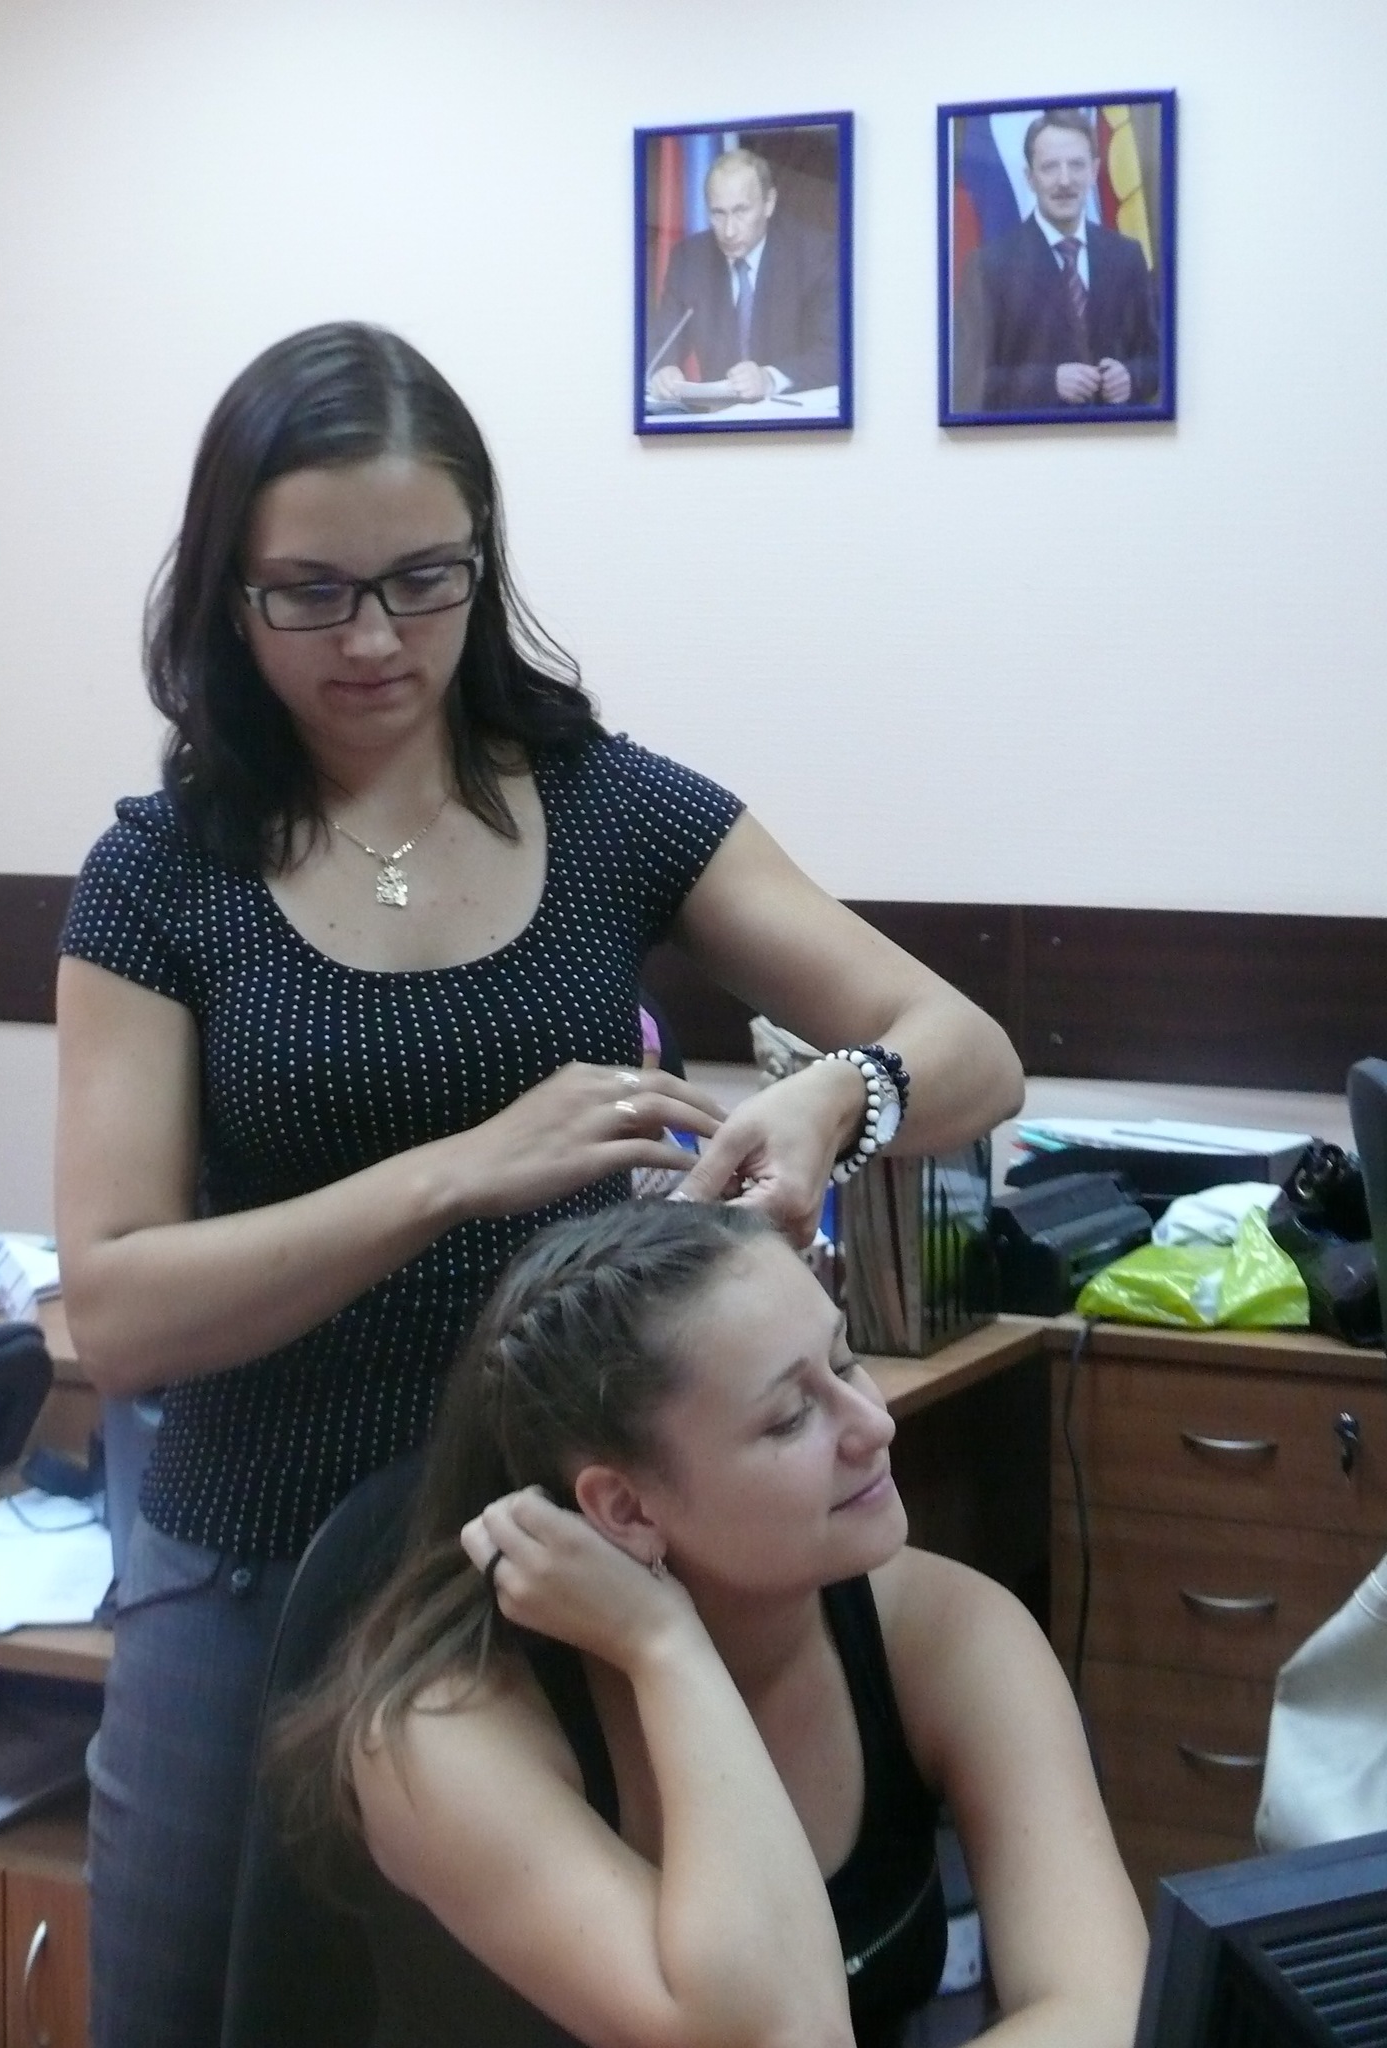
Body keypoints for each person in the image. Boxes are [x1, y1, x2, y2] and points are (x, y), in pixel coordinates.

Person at [53, 319, 1023, 2045]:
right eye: (311, 592)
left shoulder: (603, 806)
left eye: (422, 579)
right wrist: (453, 1174)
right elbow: (118, 1305)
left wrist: (836, 1097)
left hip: (571, 1565)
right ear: (226, 595)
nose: (374, 637)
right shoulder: (160, 879)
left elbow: (967, 1048)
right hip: (254, 1558)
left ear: (483, 558)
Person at [285, 1200, 1147, 2048]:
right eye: (790, 1417)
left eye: (844, 1362)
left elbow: (1110, 2007)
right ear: (625, 1508)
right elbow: (781, 2033)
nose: (873, 1423)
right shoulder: (440, 1735)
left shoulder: (944, 1630)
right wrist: (667, 1650)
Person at [955, 109, 1160, 414]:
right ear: (1030, 178)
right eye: (1050, 167)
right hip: (1028, 440)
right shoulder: (988, 266)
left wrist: (1131, 378)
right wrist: (1048, 384)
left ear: (1094, 171)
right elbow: (967, 381)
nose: (1065, 181)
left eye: (1076, 165)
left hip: (1118, 438)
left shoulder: (1126, 255)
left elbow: (1157, 360)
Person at [647, 148, 839, 404]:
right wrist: (663, 370)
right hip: (718, 418)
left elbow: (836, 353)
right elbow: (661, 343)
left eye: (741, 211)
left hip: (792, 417)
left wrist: (770, 378)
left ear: (769, 203)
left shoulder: (815, 254)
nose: (729, 231)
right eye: (718, 213)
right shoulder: (690, 259)